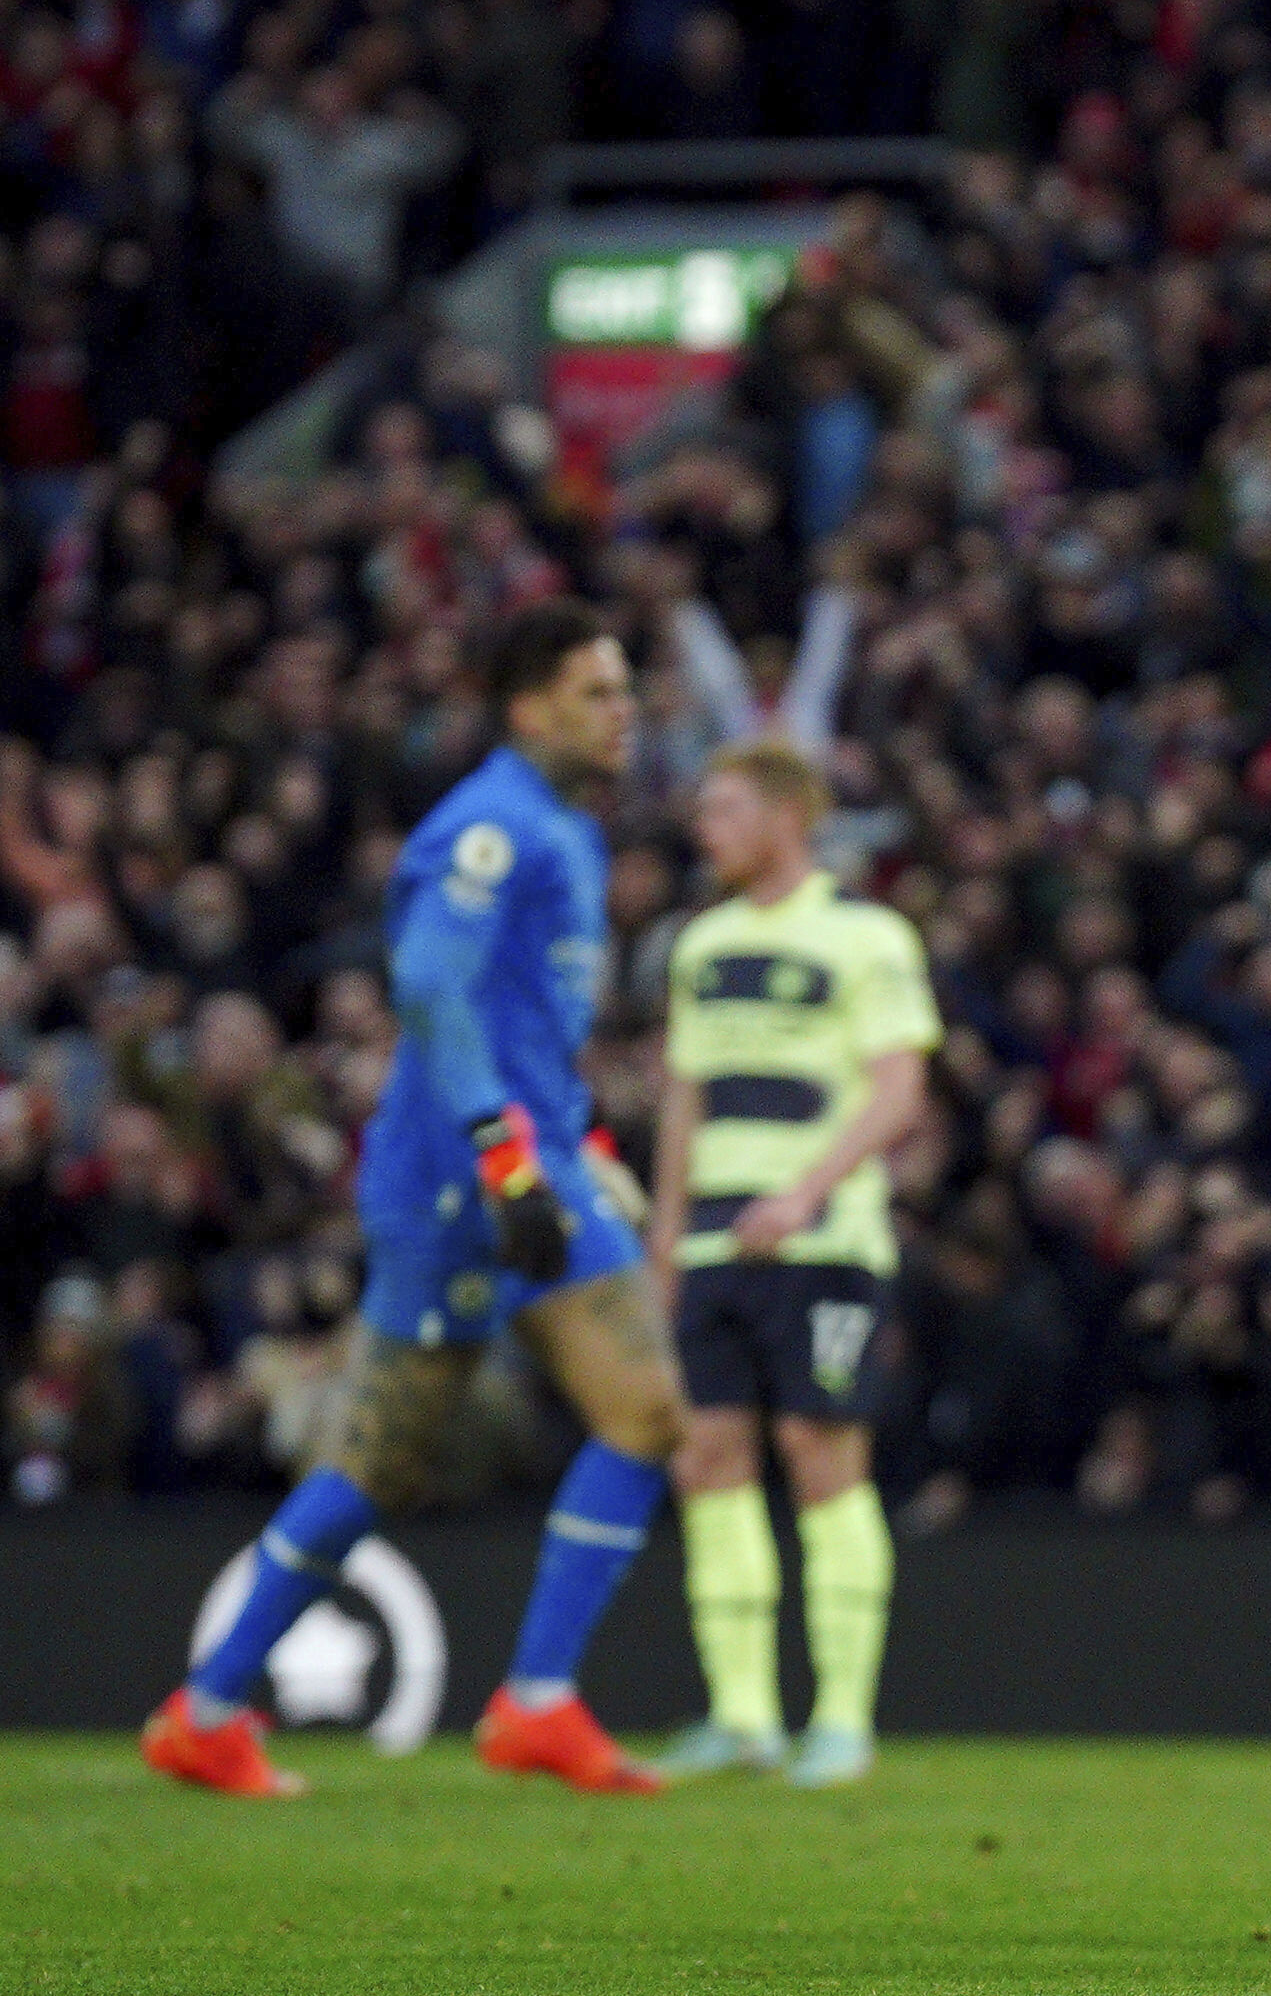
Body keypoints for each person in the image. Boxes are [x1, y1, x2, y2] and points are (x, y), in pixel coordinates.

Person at [144, 602, 684, 1797]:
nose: (622, 711)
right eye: (597, 690)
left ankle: (528, 1699)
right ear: (527, 704)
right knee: (384, 1464)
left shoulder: (569, 831)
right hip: (459, 1184)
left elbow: (525, 1025)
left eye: (624, 689)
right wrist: (504, 1153)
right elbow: (429, 986)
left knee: (639, 1409)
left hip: (525, 1165)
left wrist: (579, 1135)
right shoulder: (490, 826)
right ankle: (214, 1703)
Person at [648, 740, 939, 1789]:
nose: (704, 826)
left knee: (821, 1455)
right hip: (713, 1245)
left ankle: (842, 1721)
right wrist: (665, 1241)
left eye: (723, 807)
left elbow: (898, 1089)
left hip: (821, 1242)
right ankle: (742, 1716)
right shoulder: (699, 943)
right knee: (708, 1459)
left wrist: (805, 1189)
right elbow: (683, 1099)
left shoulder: (865, 934)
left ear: (786, 815)